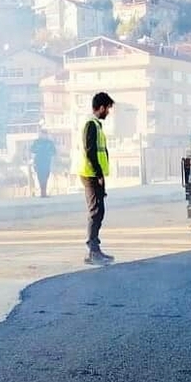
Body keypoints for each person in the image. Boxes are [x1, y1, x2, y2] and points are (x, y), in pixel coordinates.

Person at [77, 92, 115, 265]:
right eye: (107, 108)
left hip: (95, 174)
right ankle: (93, 252)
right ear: (101, 107)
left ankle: (95, 249)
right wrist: (98, 173)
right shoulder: (90, 125)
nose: (108, 112)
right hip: (90, 174)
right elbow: (90, 151)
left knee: (100, 211)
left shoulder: (96, 125)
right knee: (95, 212)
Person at [30, 130, 56, 198]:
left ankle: (43, 192)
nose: (43, 136)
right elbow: (32, 150)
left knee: (46, 177)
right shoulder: (36, 142)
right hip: (38, 162)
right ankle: (43, 193)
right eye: (42, 134)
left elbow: (54, 151)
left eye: (45, 134)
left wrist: (49, 154)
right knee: (40, 178)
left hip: (47, 163)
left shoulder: (49, 143)